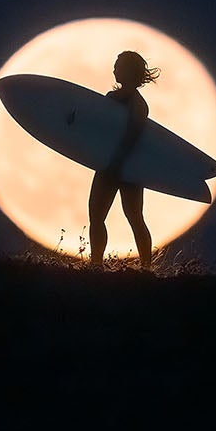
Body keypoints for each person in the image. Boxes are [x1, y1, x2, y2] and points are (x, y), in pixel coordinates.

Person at [89, 50, 159, 271]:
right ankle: (96, 265)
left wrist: (117, 163)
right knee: (96, 216)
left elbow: (132, 137)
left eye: (118, 65)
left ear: (129, 71)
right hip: (108, 164)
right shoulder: (110, 98)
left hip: (128, 169)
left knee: (134, 216)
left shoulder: (138, 105)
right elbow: (99, 128)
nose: (114, 70)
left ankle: (147, 268)